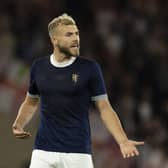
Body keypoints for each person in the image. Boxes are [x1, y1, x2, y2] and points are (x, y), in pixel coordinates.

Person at [12, 13, 144, 168]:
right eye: (69, 34)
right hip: (43, 151)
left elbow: (104, 108)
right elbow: (31, 102)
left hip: (78, 153)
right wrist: (18, 124)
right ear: (55, 40)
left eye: (76, 34)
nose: (76, 38)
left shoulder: (89, 68)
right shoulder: (39, 67)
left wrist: (122, 140)